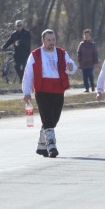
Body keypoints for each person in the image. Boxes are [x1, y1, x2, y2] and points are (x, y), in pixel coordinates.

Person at [22, 29, 77, 158]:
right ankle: (52, 146)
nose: (51, 42)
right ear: (43, 40)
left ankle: (42, 147)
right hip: (42, 90)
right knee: (47, 118)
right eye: (49, 40)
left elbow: (72, 66)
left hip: (58, 89)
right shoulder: (35, 54)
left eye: (53, 40)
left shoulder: (61, 53)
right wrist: (26, 92)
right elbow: (28, 74)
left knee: (53, 120)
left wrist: (71, 67)